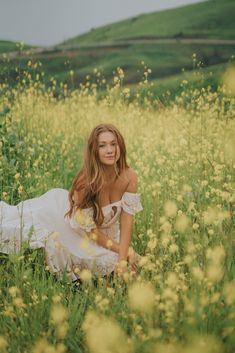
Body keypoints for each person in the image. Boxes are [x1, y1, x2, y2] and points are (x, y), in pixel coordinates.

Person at [0, 123, 144, 281]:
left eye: (113, 144)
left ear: (120, 146)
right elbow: (93, 233)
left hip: (109, 236)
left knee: (126, 265)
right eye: (102, 146)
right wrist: (126, 252)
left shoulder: (130, 176)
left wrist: (123, 257)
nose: (110, 150)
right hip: (75, 230)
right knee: (21, 226)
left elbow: (127, 221)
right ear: (94, 151)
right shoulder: (85, 183)